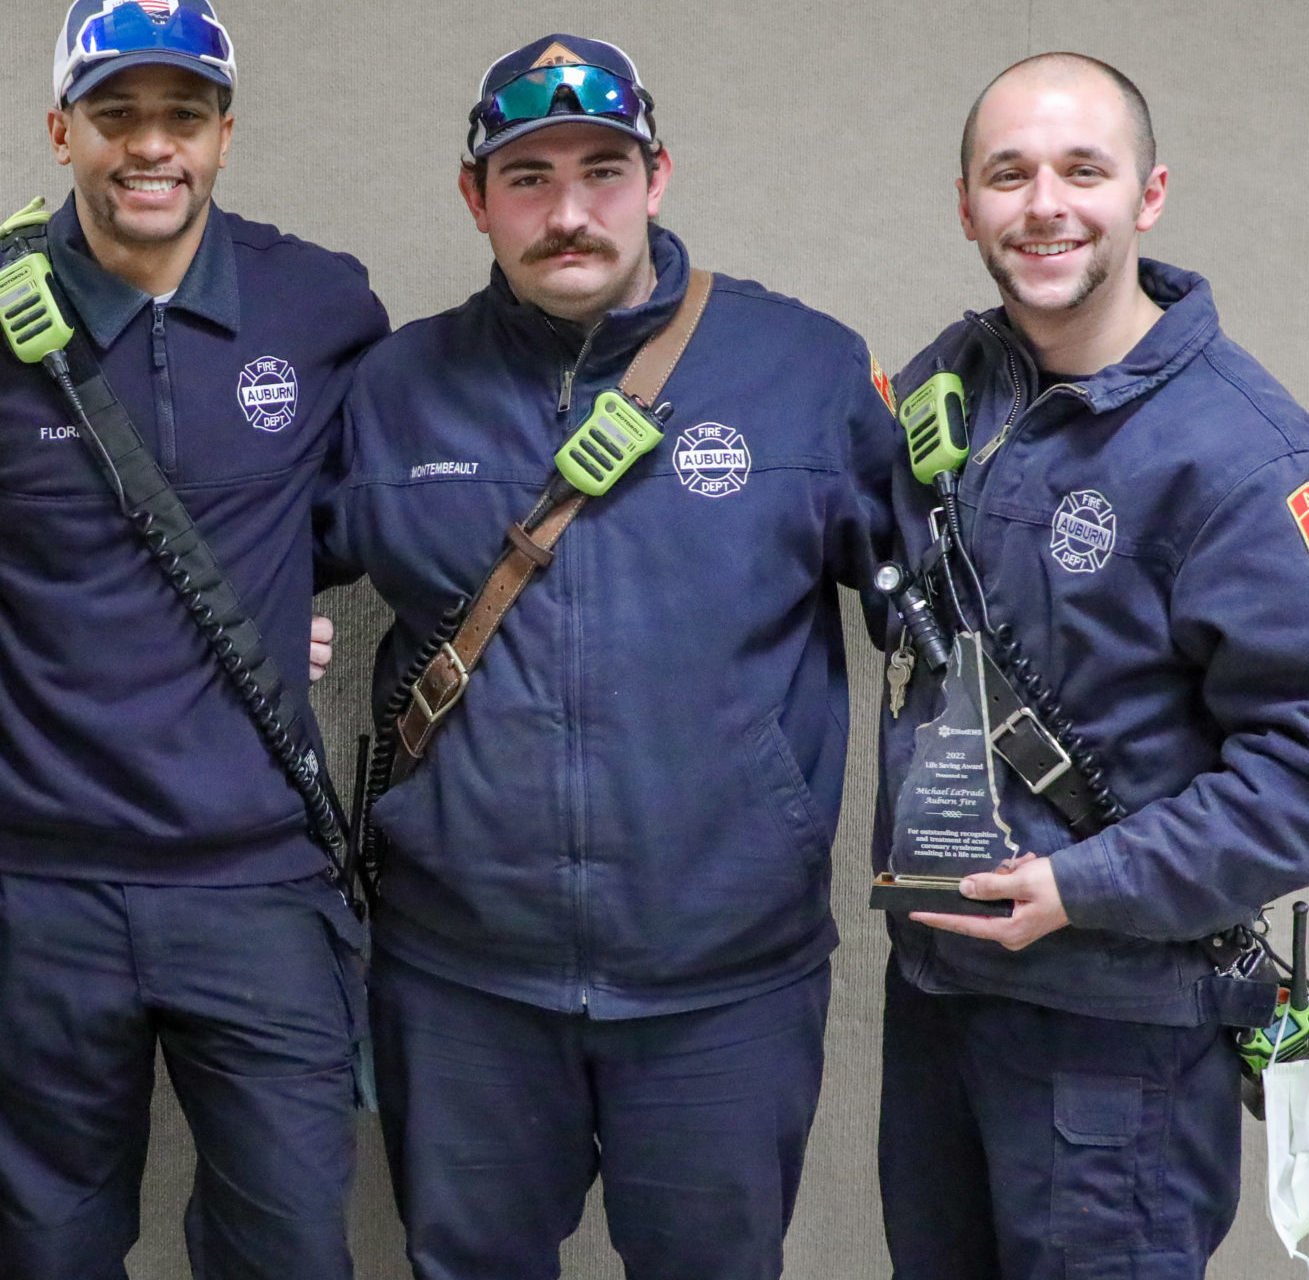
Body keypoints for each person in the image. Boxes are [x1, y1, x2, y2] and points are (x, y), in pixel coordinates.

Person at [320, 33, 903, 1280]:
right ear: (474, 197)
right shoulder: (393, 388)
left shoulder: (802, 373)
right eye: (526, 177)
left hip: (723, 983)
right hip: (462, 976)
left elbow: (953, 609)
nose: (569, 211)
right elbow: (245, 565)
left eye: (602, 169)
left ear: (658, 175)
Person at [872, 52, 1309, 1279]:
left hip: (1116, 1033)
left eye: (1082, 170)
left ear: (1148, 194)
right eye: (1007, 174)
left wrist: (1084, 882)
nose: (1043, 204)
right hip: (943, 997)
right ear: (966, 205)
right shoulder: (950, 385)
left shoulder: (1249, 459)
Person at [0, 2, 389, 1276]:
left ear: (226, 135)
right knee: (49, 1251)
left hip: (258, 879)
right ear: (62, 132)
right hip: (31, 887)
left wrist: (278, 611)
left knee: (288, 1244)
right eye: (116, 115)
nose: (149, 146)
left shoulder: (322, 304)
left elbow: (343, 516)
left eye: (183, 115)